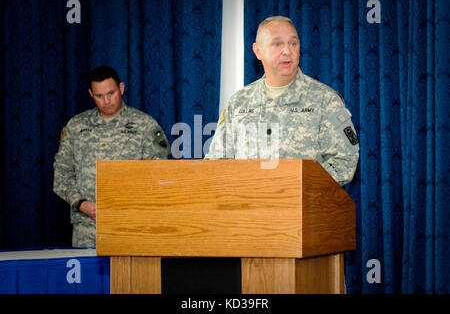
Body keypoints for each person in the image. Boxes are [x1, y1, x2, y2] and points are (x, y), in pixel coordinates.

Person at [205, 16, 359, 185]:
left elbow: (345, 161)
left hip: (304, 206)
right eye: (277, 44)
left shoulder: (325, 100)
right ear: (258, 51)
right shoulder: (240, 102)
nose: (287, 51)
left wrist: (298, 185)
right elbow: (217, 162)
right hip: (248, 206)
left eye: (293, 43)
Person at [53, 66, 171, 247]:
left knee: (132, 276)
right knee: (90, 275)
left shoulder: (144, 125)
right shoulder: (76, 126)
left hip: (132, 225)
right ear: (91, 94)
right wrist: (80, 203)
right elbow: (62, 172)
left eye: (111, 93)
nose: (106, 101)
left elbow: (161, 174)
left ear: (121, 88)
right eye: (99, 96)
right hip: (87, 226)